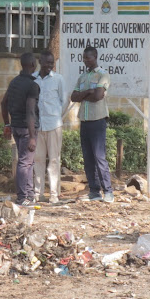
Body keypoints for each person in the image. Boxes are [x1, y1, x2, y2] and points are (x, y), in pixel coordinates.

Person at [70, 46, 114, 203]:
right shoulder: (82, 77)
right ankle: (94, 191)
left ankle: (108, 191)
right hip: (84, 120)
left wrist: (87, 94)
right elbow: (74, 97)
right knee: (88, 157)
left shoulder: (103, 75)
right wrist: (88, 91)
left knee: (99, 156)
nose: (85, 60)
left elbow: (98, 95)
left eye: (88, 57)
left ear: (95, 57)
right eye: (84, 57)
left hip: (98, 120)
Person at [1, 52, 39, 206]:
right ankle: (22, 197)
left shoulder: (14, 82)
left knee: (28, 162)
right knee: (24, 162)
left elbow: (3, 103)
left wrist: (7, 124)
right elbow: (30, 111)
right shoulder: (32, 85)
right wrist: (31, 136)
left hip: (16, 126)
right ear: (32, 65)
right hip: (26, 129)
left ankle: (29, 195)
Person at [33, 51, 65, 204]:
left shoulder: (58, 79)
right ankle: (38, 193)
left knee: (54, 160)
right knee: (38, 160)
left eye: (52, 63)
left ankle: (53, 194)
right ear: (40, 61)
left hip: (54, 125)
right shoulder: (33, 79)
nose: (49, 66)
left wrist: (56, 116)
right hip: (38, 127)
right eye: (47, 63)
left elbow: (63, 101)